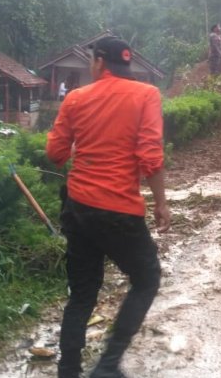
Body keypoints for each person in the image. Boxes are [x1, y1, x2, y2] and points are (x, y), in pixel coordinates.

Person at [47, 36, 171, 378]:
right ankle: (108, 363)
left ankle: (68, 369)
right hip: (119, 212)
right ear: (125, 65)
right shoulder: (146, 95)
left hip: (78, 208)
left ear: (99, 62)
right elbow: (150, 158)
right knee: (146, 279)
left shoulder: (75, 99)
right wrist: (161, 204)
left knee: (83, 292)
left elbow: (56, 154)